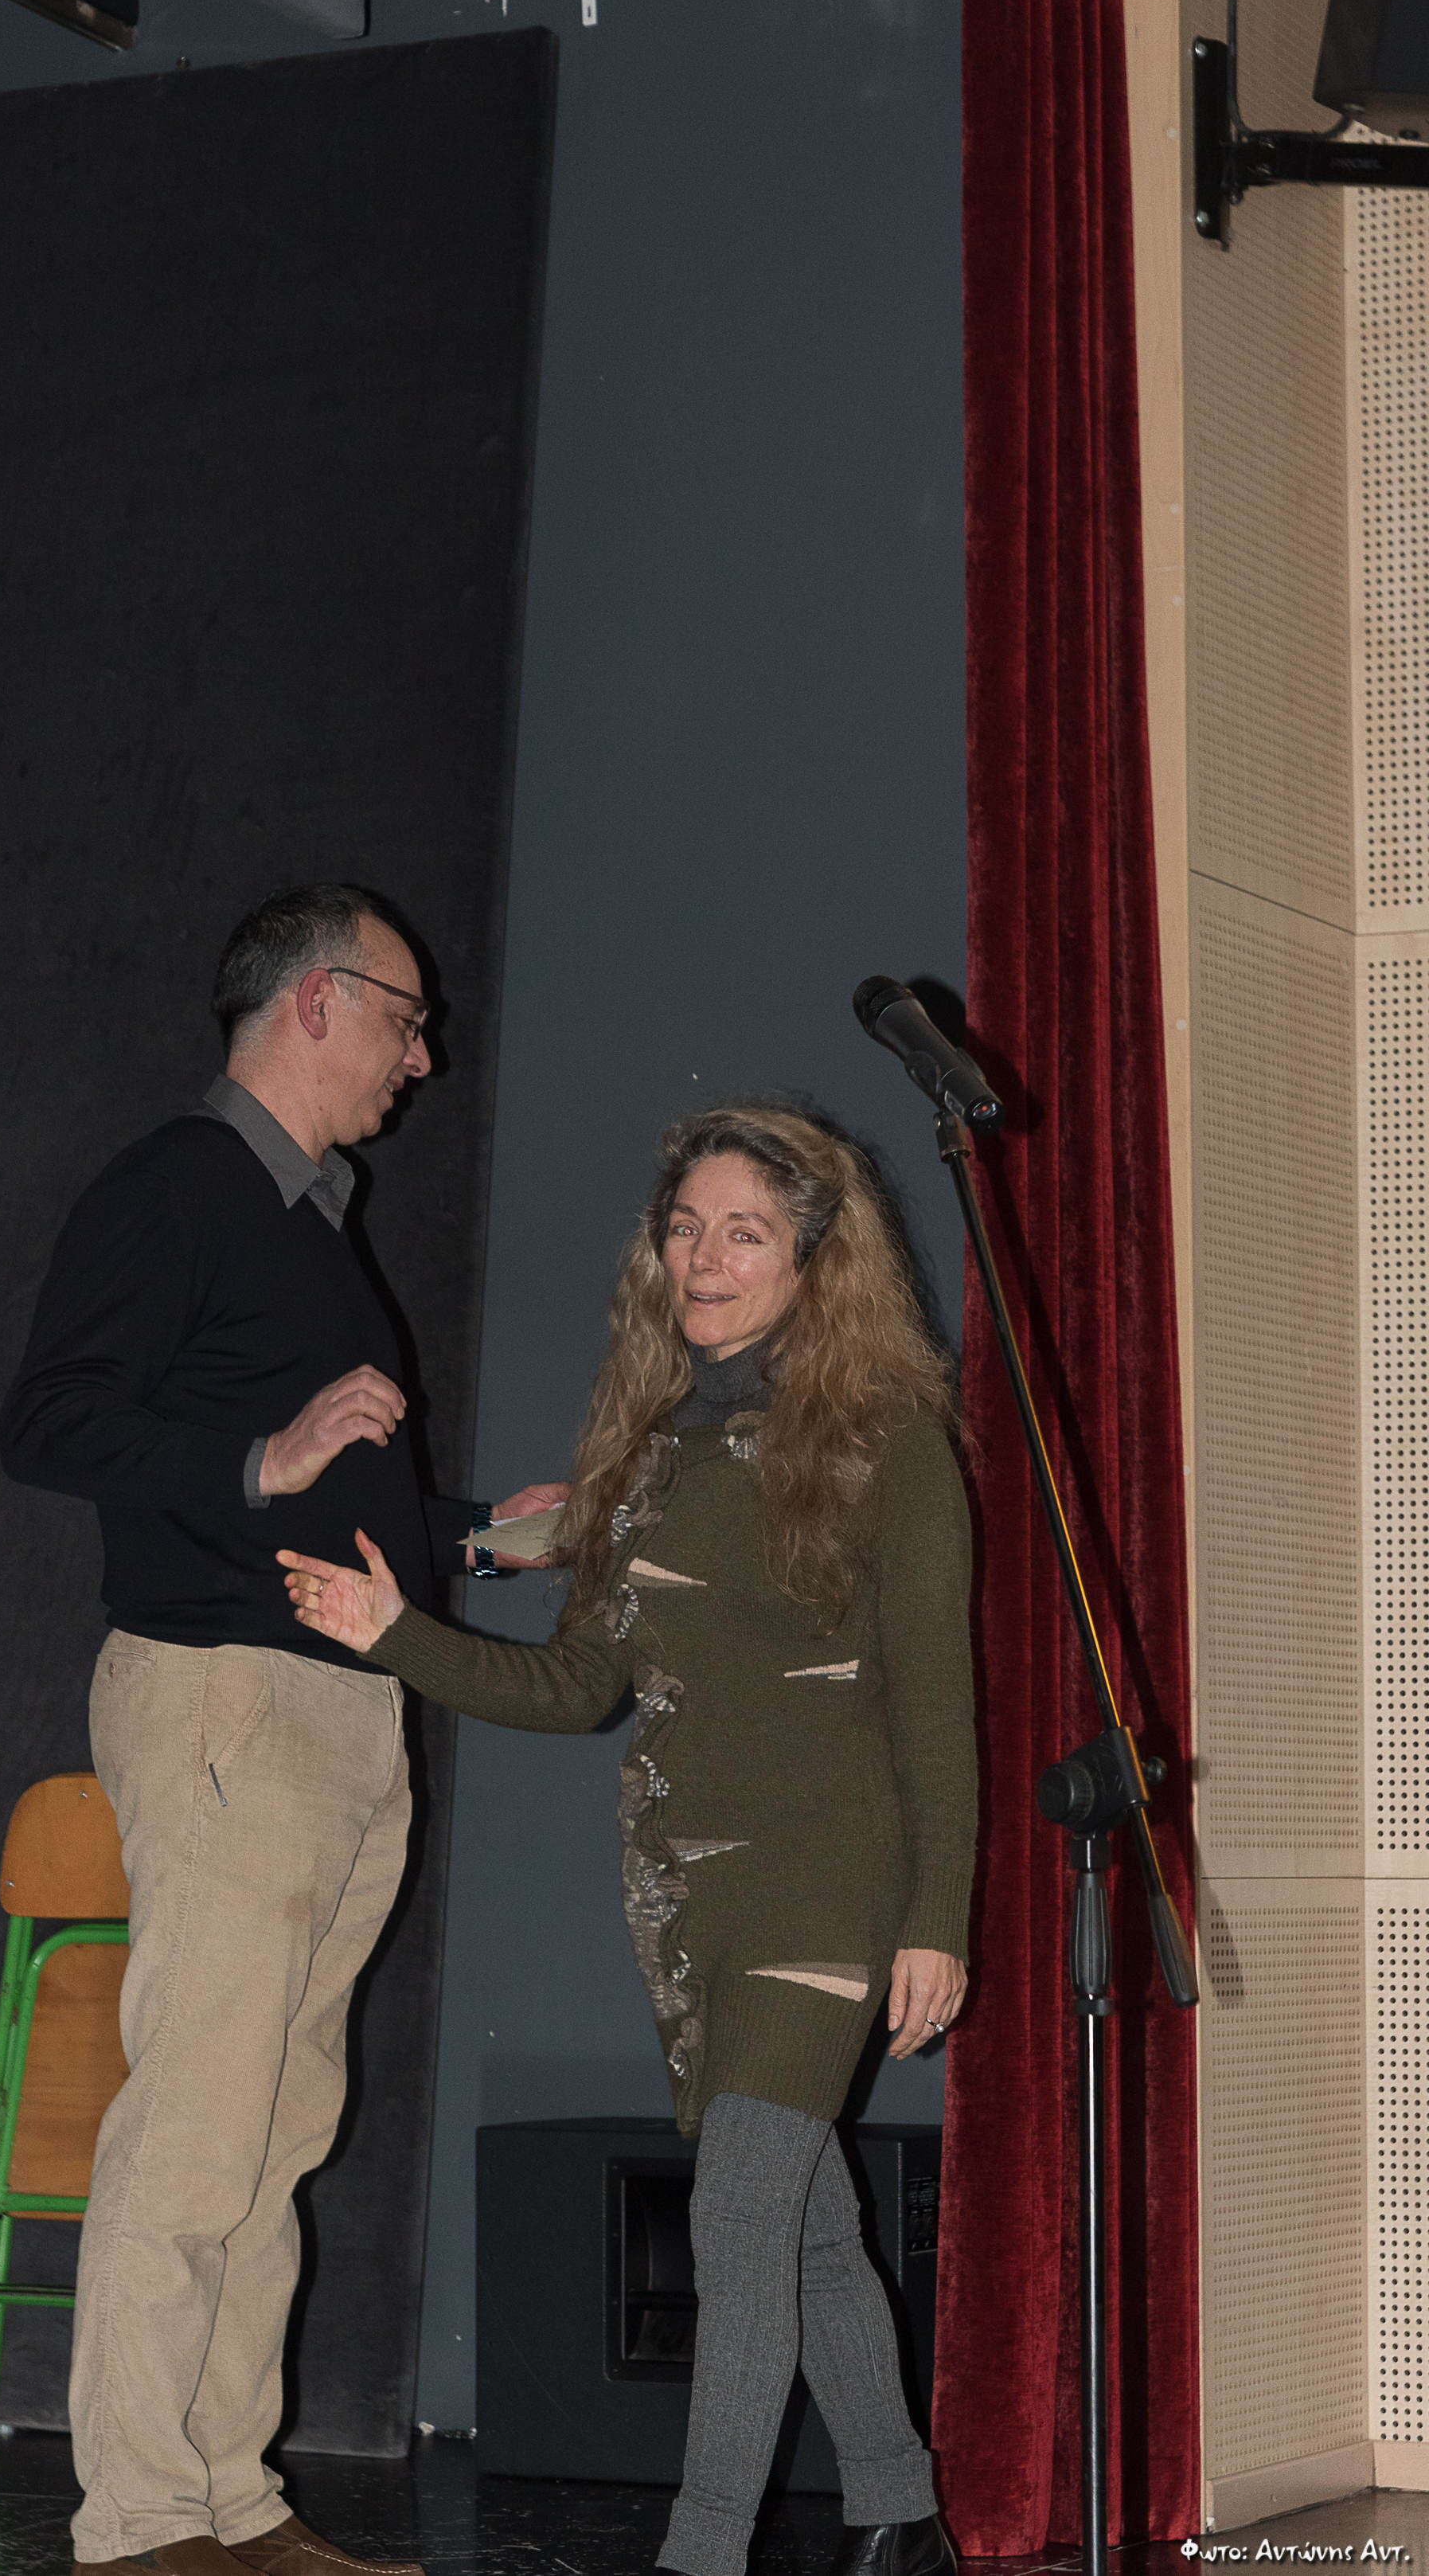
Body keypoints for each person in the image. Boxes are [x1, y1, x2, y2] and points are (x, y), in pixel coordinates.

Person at [278, 1104, 978, 2576]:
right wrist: (398, 1631)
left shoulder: (892, 1442)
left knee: (738, 2219)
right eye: (684, 1228)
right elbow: (577, 1687)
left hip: (830, 1884)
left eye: (745, 1233)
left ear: (814, 1261)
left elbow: (936, 1707)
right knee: (803, 2228)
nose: (704, 1259)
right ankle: (902, 2512)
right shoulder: (648, 1454)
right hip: (687, 1893)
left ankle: (699, 2553)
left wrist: (938, 1920)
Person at [1, 881, 561, 2576]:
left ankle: (232, 2503)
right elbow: (49, 1421)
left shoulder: (312, 1226)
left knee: (276, 2131)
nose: (422, 1055)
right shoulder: (179, 1183)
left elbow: (339, 1494)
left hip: (340, 1706)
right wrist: (261, 1460)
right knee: (198, 2123)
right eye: (405, 1017)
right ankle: (141, 2518)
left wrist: (484, 1540)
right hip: (227, 1694)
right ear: (318, 1000)